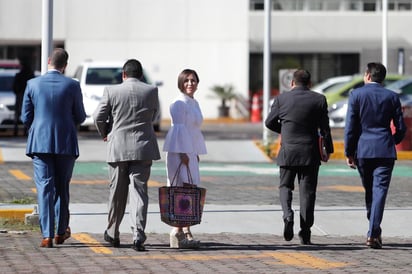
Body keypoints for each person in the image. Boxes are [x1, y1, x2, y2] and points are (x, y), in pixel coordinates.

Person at [21, 48, 86, 248]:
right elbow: (81, 116)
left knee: (44, 187)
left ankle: (47, 235)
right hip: (65, 141)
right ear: (65, 65)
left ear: (49, 61)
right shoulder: (72, 85)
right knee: (62, 187)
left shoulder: (32, 84)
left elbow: (25, 117)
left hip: (40, 142)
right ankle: (60, 232)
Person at [93, 59, 160, 252]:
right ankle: (138, 234)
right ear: (140, 74)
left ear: (123, 74)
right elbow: (153, 116)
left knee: (117, 192)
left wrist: (105, 132)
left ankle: (113, 232)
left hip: (118, 148)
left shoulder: (111, 91)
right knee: (139, 193)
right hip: (143, 147)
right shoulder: (151, 91)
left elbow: (98, 116)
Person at [265, 69, 333, 245]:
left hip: (288, 151)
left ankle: (288, 216)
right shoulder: (319, 99)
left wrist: (285, 130)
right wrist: (328, 149)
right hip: (310, 152)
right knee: (308, 193)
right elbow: (325, 128)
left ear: (292, 83)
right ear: (309, 83)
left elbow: (269, 122)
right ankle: (305, 232)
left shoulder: (281, 99)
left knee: (285, 186)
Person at [344, 62, 406, 249]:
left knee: (371, 191)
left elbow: (350, 127)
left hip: (363, 150)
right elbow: (401, 127)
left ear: (368, 76)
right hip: (385, 149)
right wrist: (391, 140)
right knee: (379, 191)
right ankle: (374, 231)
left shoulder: (356, 95)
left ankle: (373, 230)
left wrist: (349, 151)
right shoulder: (392, 97)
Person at [163, 69, 207, 249]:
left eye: (193, 80)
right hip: (179, 152)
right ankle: (176, 232)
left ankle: (186, 231)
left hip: (190, 152)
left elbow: (193, 131)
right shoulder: (179, 103)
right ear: (181, 82)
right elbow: (178, 130)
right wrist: (182, 153)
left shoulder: (193, 102)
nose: (190, 83)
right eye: (187, 80)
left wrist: (194, 152)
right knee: (180, 190)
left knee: (190, 189)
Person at [13, 58, 34, 136]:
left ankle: (15, 131)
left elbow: (14, 87)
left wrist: (19, 92)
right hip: (29, 96)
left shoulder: (18, 75)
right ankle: (26, 131)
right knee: (28, 112)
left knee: (17, 114)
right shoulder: (31, 75)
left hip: (20, 96)